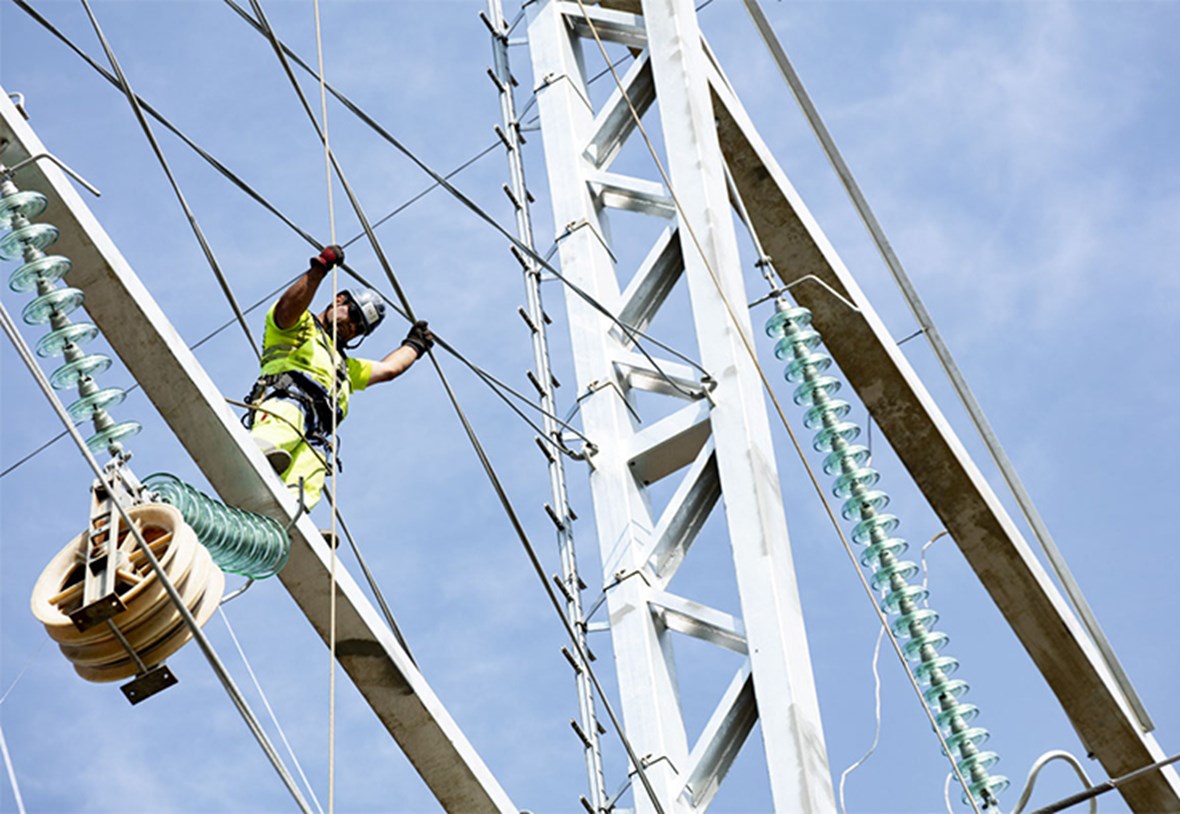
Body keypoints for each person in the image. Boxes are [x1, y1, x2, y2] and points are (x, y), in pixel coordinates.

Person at [245, 244, 433, 508]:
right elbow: (286, 309)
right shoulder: (299, 329)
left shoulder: (343, 366)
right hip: (287, 401)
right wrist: (319, 269)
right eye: (353, 315)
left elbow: (388, 370)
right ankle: (252, 455)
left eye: (359, 328)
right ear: (338, 300)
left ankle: (292, 515)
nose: (351, 326)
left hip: (318, 431)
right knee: (283, 427)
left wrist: (414, 346)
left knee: (312, 469)